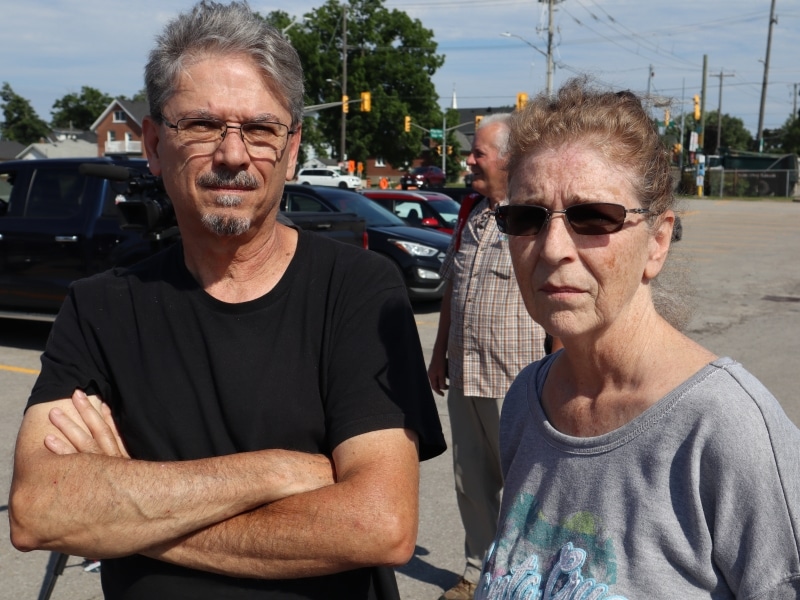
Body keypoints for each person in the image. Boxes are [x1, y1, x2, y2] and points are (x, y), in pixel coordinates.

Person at [8, 2, 446, 599]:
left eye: (261, 130)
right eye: (202, 126)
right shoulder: (100, 309)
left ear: (291, 150)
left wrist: (127, 514)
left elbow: (379, 526)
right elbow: (40, 510)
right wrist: (275, 471)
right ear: (155, 144)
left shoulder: (360, 291)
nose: (233, 154)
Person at [477, 78, 800, 599]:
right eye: (527, 218)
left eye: (592, 217)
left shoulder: (724, 428)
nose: (553, 247)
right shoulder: (526, 400)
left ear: (658, 241)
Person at [427, 114, 548, 600]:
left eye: (478, 152)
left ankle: (525, 577)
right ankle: (477, 571)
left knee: (525, 493)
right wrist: (439, 354)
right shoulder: (471, 214)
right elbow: (453, 286)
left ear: (509, 159)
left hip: (517, 380)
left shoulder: (534, 216)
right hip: (467, 374)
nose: (469, 160)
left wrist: (558, 372)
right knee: (470, 482)